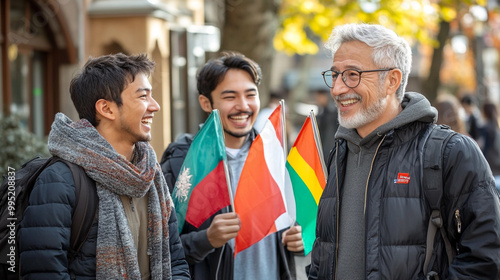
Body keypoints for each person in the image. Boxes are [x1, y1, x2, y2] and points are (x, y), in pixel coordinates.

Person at [308, 23, 500, 279]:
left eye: (352, 74)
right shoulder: (339, 153)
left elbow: (486, 260)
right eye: (334, 75)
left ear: (392, 80)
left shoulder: (450, 153)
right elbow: (323, 254)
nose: (337, 89)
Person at [19, 53, 190, 279]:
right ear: (106, 109)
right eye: (143, 96)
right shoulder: (60, 180)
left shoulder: (150, 174)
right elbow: (43, 272)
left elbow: (175, 261)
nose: (155, 106)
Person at [160, 51, 303, 280]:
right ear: (206, 103)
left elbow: (290, 225)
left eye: (250, 94)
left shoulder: (274, 154)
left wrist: (299, 240)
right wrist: (206, 240)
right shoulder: (181, 163)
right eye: (230, 97)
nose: (243, 106)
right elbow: (160, 248)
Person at [480, 102, 500, 175]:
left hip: (489, 163)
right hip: (496, 161)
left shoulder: (486, 128)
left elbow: (484, 147)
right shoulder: (496, 125)